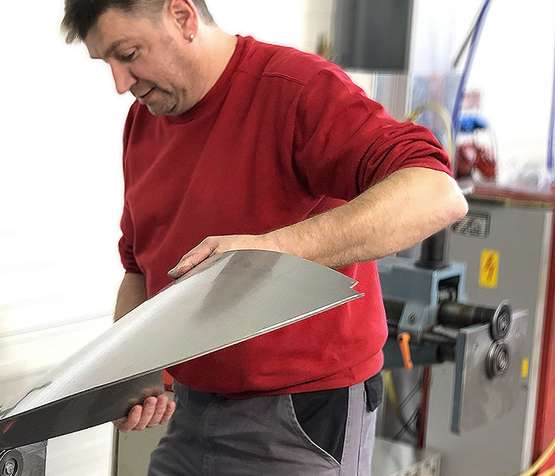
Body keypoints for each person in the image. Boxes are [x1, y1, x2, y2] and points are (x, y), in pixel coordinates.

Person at [61, 1, 468, 474]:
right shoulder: (145, 120)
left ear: (182, 16)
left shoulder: (297, 92)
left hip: (302, 418)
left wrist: (271, 252)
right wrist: (132, 373)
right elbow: (137, 267)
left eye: (128, 53)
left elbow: (436, 192)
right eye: (106, 63)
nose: (120, 83)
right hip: (193, 411)